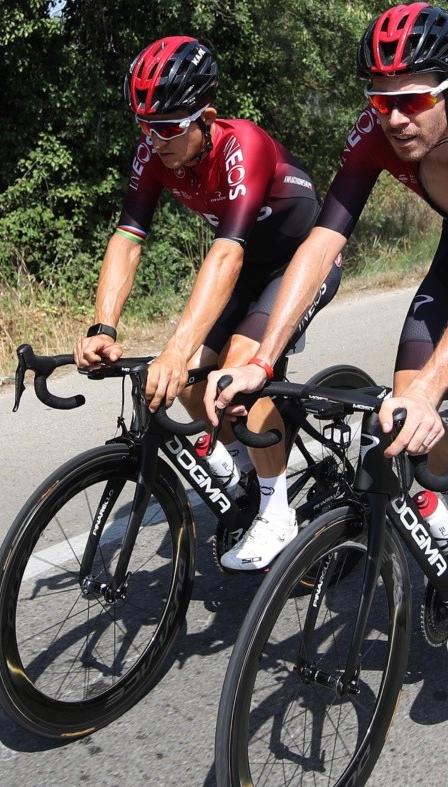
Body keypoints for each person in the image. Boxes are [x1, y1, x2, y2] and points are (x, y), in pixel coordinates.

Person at [203, 3, 448, 659]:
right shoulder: (375, 131)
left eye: (410, 101)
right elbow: (322, 244)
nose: (395, 119)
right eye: (381, 104)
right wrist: (262, 361)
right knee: (401, 398)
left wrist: (437, 386)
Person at [74, 35, 342, 570]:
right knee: (197, 385)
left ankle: (276, 508)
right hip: (245, 266)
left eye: (170, 127)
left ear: (207, 117)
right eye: (145, 126)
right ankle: (247, 464)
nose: (156, 140)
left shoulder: (243, 147)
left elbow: (226, 254)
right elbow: (128, 238)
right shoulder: (155, 153)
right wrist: (103, 325)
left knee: (238, 370)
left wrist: (173, 348)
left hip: (298, 265)